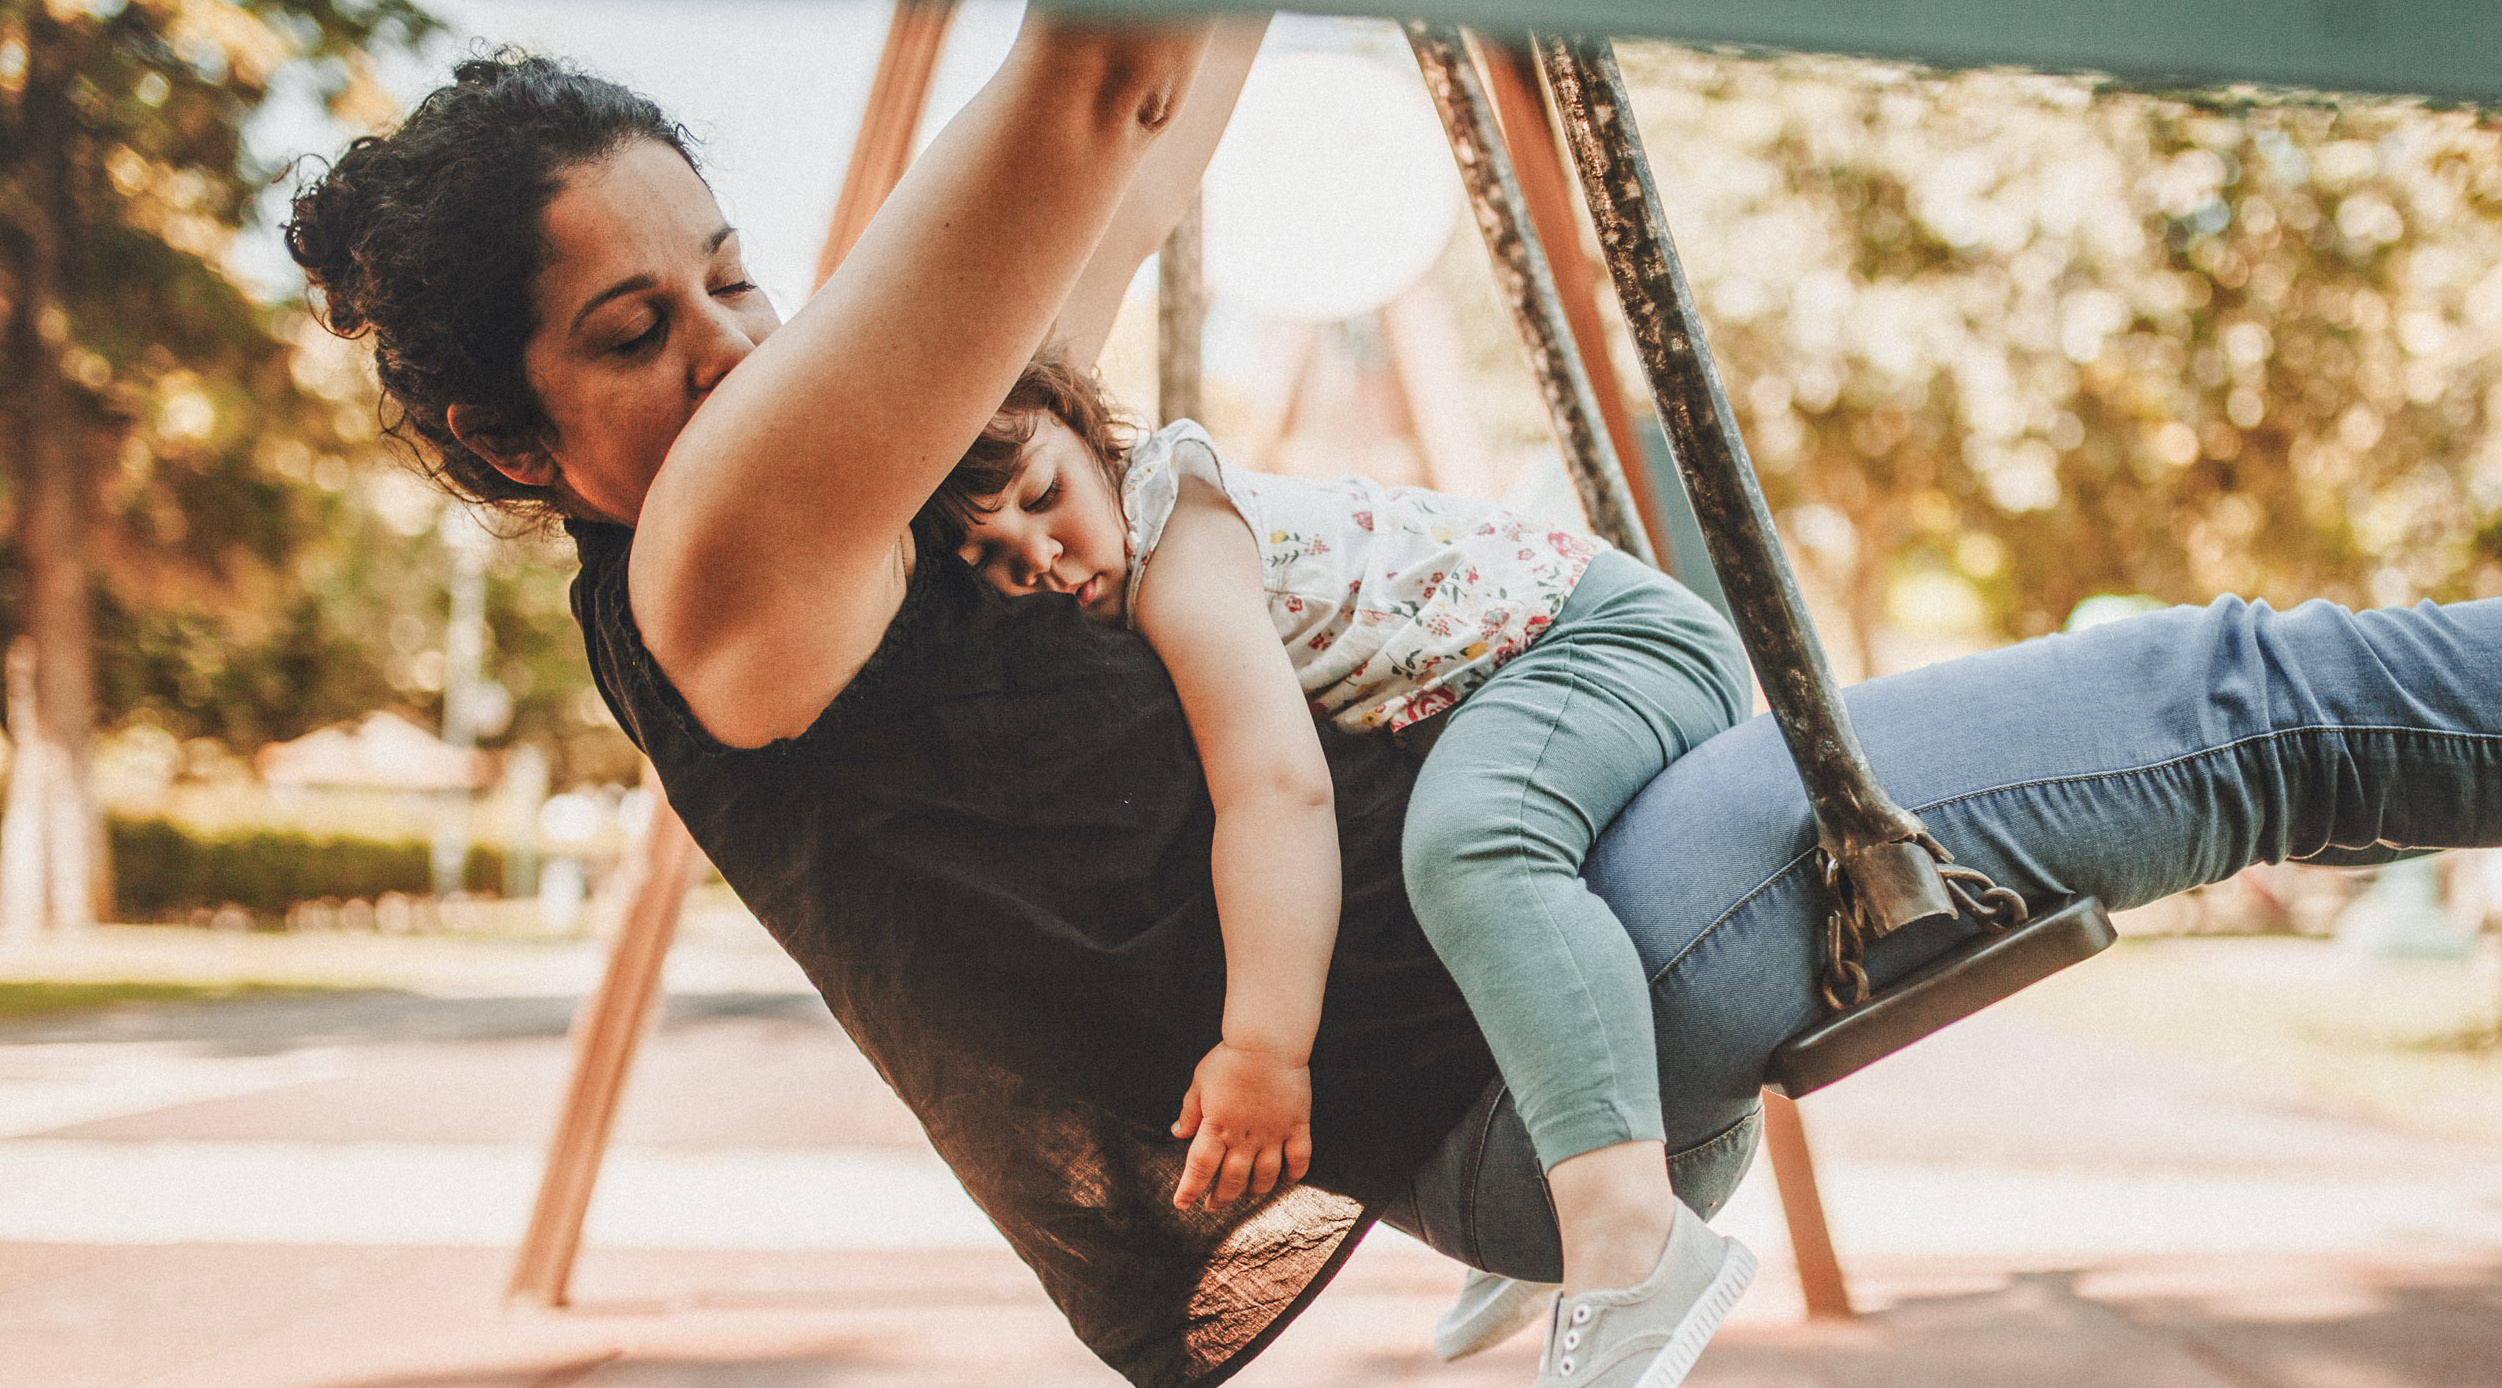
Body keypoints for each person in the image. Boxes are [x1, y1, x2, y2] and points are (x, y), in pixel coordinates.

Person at [284, 25, 2502, 1388]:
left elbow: (1139, 151)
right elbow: (1088, 83)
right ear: (503, 440)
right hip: (1520, 1043)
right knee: (2238, 699)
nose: (734, 350)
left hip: (1517, 1014)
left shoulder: (844, 490)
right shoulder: (714, 564)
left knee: (2241, 704)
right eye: (632, 328)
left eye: (737, 274)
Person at [924, 354, 1759, 1377]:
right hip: (1513, 685)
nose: (1044, 556)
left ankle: (1632, 1237)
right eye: (999, 559)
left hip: (1609, 640)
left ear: (1087, 435)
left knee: (1472, 845)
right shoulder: (1134, 567)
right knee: (1429, 873)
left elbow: (1276, 789)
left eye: (1046, 498)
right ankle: (1568, 1178)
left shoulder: (1180, 542)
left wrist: (1264, 1048)